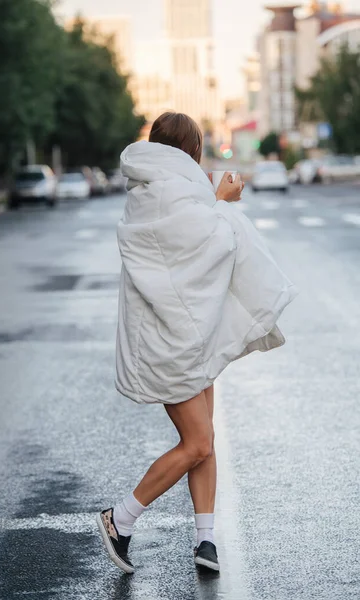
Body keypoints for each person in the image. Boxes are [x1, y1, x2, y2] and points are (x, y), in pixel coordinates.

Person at [97, 112, 298, 574]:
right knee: (198, 443)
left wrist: (212, 200)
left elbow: (186, 239)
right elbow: (210, 243)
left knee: (203, 441)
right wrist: (224, 200)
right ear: (191, 150)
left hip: (186, 334)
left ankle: (205, 541)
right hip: (172, 341)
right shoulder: (170, 190)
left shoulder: (153, 188)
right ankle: (119, 519)